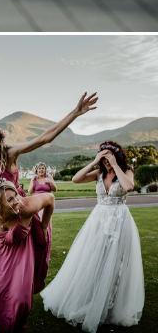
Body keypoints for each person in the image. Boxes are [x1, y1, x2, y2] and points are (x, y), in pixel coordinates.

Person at [40, 141, 144, 333]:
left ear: (116, 156)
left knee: (115, 262)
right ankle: (90, 299)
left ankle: (110, 306)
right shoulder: (99, 173)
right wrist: (93, 162)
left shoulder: (126, 170)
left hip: (119, 220)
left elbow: (128, 186)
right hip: (98, 220)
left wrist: (114, 165)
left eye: (108, 157)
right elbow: (76, 180)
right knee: (94, 259)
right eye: (102, 157)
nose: (105, 161)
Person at [0, 178, 54, 333]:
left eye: (16, 195)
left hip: (21, 253)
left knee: (21, 299)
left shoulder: (25, 208)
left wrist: (44, 226)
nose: (18, 201)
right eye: (11, 199)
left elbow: (50, 198)